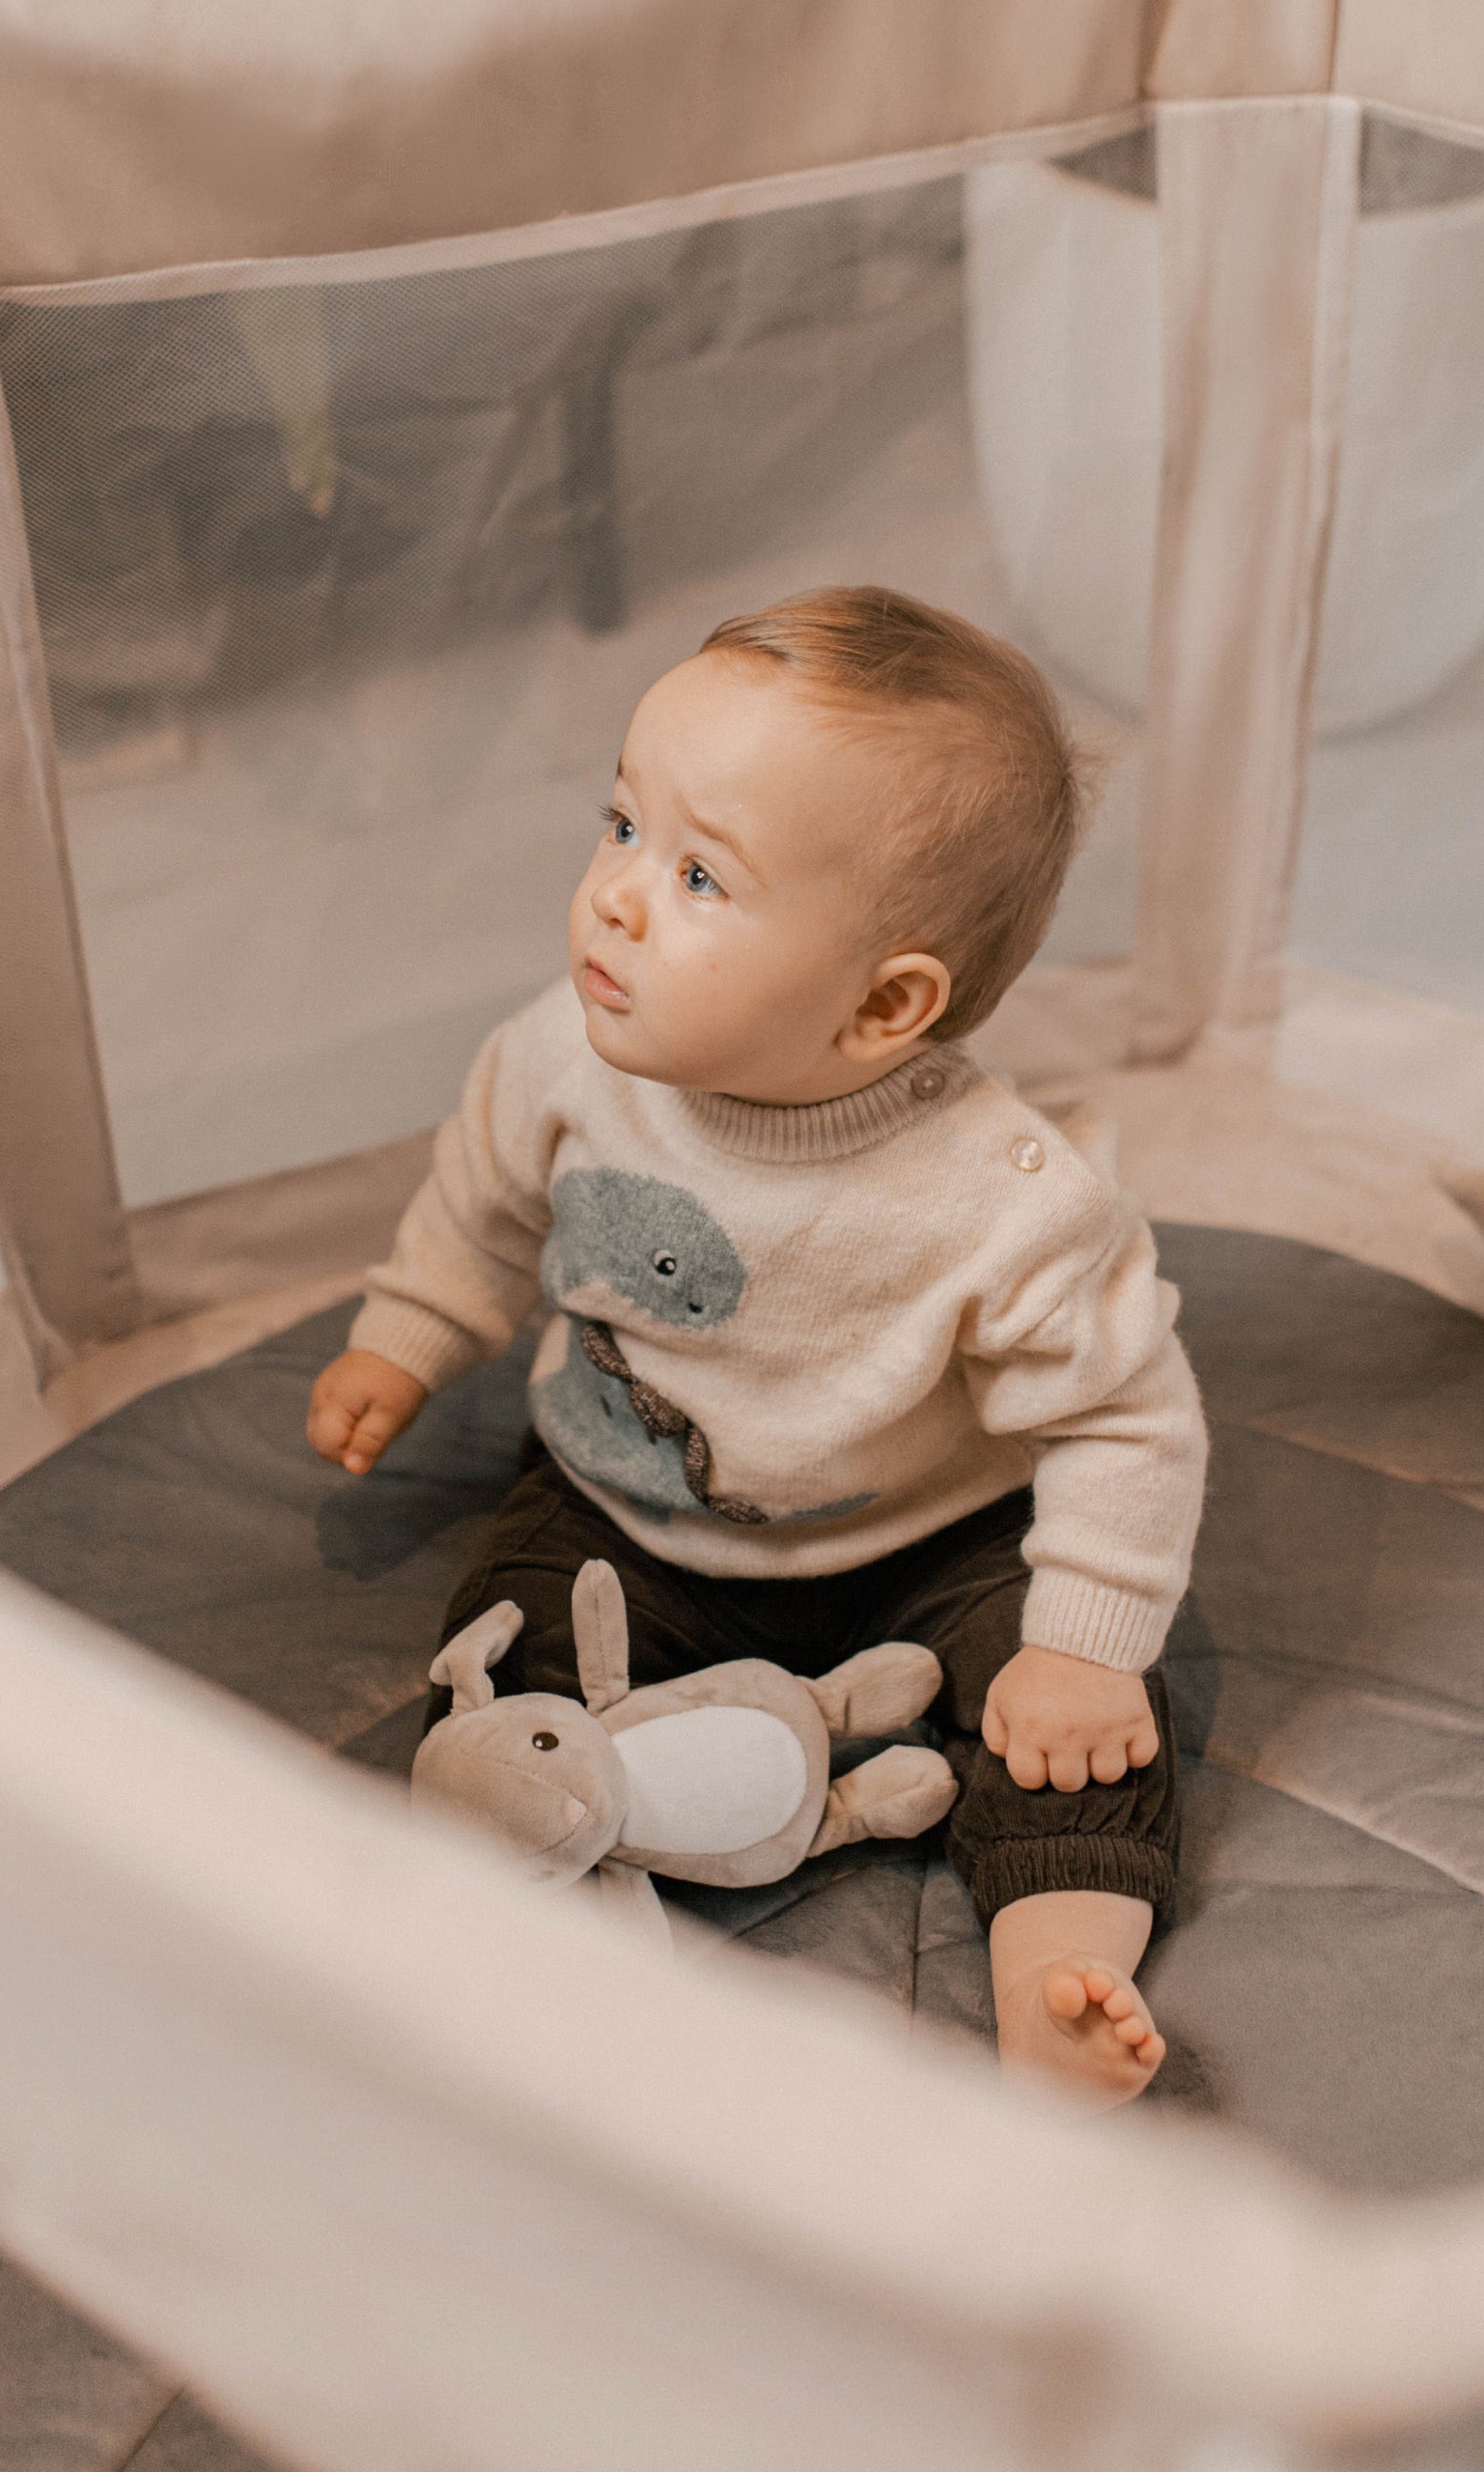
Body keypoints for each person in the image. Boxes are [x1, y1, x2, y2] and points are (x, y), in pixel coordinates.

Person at [308, 585, 1206, 2104]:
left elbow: (1125, 1418)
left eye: (699, 875)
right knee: (499, 1682)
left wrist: (1081, 1646)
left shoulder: (1003, 1197)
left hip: (932, 1537)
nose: (616, 897)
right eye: (620, 825)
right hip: (621, 1509)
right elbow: (482, 1203)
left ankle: (1058, 1983)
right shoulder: (558, 1055)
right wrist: (412, 1331)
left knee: (1083, 1739)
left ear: (885, 1004)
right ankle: (538, 1962)